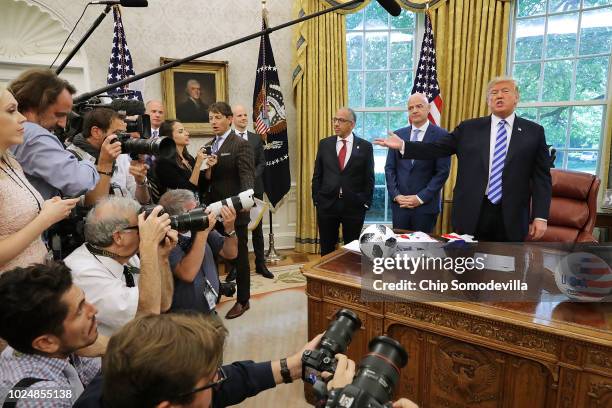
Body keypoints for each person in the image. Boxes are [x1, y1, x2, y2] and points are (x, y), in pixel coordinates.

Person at [375, 76, 552, 242]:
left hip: (512, 213)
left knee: (507, 268)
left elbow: (542, 178)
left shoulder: (534, 132)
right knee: (467, 266)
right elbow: (435, 148)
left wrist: (540, 216)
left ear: (516, 97)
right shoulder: (469, 128)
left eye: (505, 91)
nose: (498, 96)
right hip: (472, 211)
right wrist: (405, 146)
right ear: (487, 100)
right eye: (493, 93)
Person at [74, 312, 323, 408]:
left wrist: (292, 366)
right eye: (212, 382)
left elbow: (232, 381)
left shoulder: (117, 380)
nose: (220, 382)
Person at [63, 197, 178, 336]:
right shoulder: (83, 273)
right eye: (141, 227)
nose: (146, 231)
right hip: (110, 355)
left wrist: (161, 257)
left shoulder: (125, 255)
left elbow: (163, 304)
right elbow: (148, 314)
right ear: (118, 237)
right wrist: (148, 245)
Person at [0, 86, 78, 273]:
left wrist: (47, 208)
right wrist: (45, 218)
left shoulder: (10, 161)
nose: (22, 118)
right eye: (11, 111)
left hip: (33, 282)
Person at [0, 262, 101, 407]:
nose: (93, 310)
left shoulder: (58, 345)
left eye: (84, 301)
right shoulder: (41, 397)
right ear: (46, 343)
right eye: (79, 311)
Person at [8, 69, 102, 202]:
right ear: (36, 106)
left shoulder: (14, 133)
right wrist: (89, 164)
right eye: (59, 114)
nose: (63, 124)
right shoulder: (35, 136)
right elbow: (77, 182)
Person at [204, 102, 255, 319]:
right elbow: (207, 181)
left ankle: (243, 301)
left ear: (229, 119)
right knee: (213, 255)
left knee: (240, 258)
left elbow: (246, 178)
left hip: (234, 213)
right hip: (211, 212)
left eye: (217, 117)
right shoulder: (209, 146)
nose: (213, 122)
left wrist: (242, 207)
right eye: (210, 118)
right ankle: (212, 295)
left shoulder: (240, 144)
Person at [158, 189, 238, 314]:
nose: (200, 213)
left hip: (210, 310)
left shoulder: (200, 229)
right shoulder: (167, 240)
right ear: (178, 217)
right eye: (193, 211)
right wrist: (202, 233)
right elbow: (187, 274)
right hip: (183, 319)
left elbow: (230, 253)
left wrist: (230, 228)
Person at [311, 107, 375, 256]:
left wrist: (365, 202)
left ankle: (348, 278)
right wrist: (317, 199)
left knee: (352, 250)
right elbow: (317, 175)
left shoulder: (365, 147)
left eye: (341, 120)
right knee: (326, 250)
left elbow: (369, 178)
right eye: (335, 120)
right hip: (327, 205)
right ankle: (327, 278)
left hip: (354, 206)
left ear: (352, 124)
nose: (336, 124)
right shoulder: (324, 144)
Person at [384, 93, 450, 232]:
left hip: (425, 207)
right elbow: (390, 168)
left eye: (419, 106)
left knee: (422, 251)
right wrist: (396, 195)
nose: (414, 110)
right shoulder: (398, 135)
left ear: (429, 108)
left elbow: (442, 172)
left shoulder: (442, 136)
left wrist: (420, 198)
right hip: (400, 206)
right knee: (400, 251)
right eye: (411, 108)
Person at [66, 108, 150, 204]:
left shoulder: (120, 154)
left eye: (124, 133)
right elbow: (88, 207)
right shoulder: (71, 159)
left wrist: (140, 183)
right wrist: (106, 163)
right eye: (117, 133)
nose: (122, 139)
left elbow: (143, 200)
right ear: (96, 132)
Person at [230, 104, 273, 279]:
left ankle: (260, 264)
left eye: (245, 115)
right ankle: (237, 267)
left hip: (255, 189)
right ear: (232, 119)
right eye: (239, 115)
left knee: (257, 230)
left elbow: (262, 163)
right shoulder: (228, 139)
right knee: (238, 230)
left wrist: (250, 178)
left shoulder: (256, 139)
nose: (243, 118)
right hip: (235, 191)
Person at [154, 119, 208, 201]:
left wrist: (209, 167)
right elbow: (187, 191)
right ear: (169, 137)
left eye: (185, 130)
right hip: (178, 208)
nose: (187, 134)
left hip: (196, 205)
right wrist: (198, 164)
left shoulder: (188, 158)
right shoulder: (164, 162)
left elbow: (201, 185)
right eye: (181, 131)